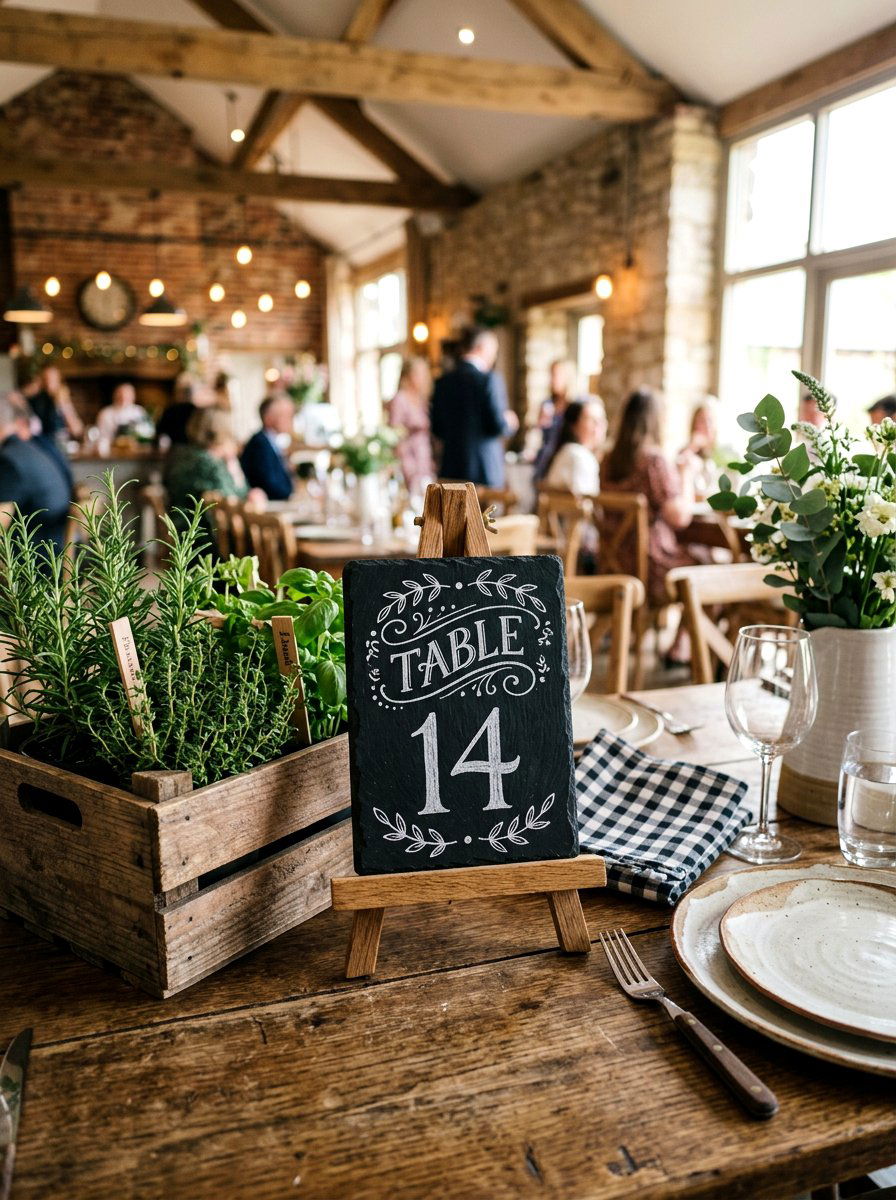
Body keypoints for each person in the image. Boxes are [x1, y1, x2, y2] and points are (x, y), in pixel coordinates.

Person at [602, 388, 698, 606]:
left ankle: (681, 640)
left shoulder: (607, 461)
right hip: (652, 566)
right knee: (710, 570)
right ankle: (687, 640)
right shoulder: (653, 462)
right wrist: (686, 474)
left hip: (614, 562)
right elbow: (680, 517)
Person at [430, 326, 518, 488]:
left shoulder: (442, 382)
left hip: (451, 468)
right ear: (482, 348)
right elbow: (497, 425)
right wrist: (509, 423)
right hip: (484, 469)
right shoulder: (488, 380)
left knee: (452, 513)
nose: (494, 356)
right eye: (494, 350)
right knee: (486, 514)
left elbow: (437, 429)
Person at [164, 407, 265, 526]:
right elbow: (231, 504)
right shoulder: (207, 463)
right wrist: (234, 467)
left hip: (183, 527)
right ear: (223, 432)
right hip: (201, 534)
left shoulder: (185, 455)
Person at [0, 390, 72, 552]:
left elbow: (1, 521)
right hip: (53, 546)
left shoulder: (9, 459)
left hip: (34, 561)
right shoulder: (31, 449)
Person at [388, 356, 434, 497]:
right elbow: (394, 433)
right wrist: (406, 466)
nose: (422, 378)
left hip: (423, 457)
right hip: (408, 458)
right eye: (418, 374)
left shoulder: (421, 400)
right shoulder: (400, 399)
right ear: (408, 375)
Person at [543, 398, 606, 495]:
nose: (599, 425)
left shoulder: (568, 451)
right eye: (592, 420)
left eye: (602, 419)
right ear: (574, 426)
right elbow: (585, 504)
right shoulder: (579, 456)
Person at [240, 394, 297, 500]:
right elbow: (269, 485)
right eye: (286, 416)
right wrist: (292, 495)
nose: (291, 421)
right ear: (268, 418)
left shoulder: (268, 441)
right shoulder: (260, 444)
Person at [534, 359, 579, 481]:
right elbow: (537, 438)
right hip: (545, 461)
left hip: (565, 461)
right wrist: (540, 423)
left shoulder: (576, 406)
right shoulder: (547, 404)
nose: (551, 380)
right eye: (550, 375)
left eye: (555, 375)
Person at [24, 365, 83, 441]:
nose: (49, 383)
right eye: (46, 379)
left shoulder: (62, 399)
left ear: (59, 381)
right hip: (42, 441)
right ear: (42, 381)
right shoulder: (37, 399)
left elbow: (77, 430)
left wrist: (63, 404)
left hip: (60, 441)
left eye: (53, 379)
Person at [677, 398, 719, 500]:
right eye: (702, 421)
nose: (707, 426)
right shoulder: (686, 452)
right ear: (694, 424)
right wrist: (692, 447)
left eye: (710, 421)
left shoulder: (720, 454)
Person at [95, 383, 150, 450]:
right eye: (120, 394)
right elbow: (101, 437)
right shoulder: (106, 413)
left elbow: (147, 434)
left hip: (136, 450)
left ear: (133, 396)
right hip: (112, 450)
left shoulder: (139, 412)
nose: (123, 397)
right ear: (115, 395)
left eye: (127, 395)